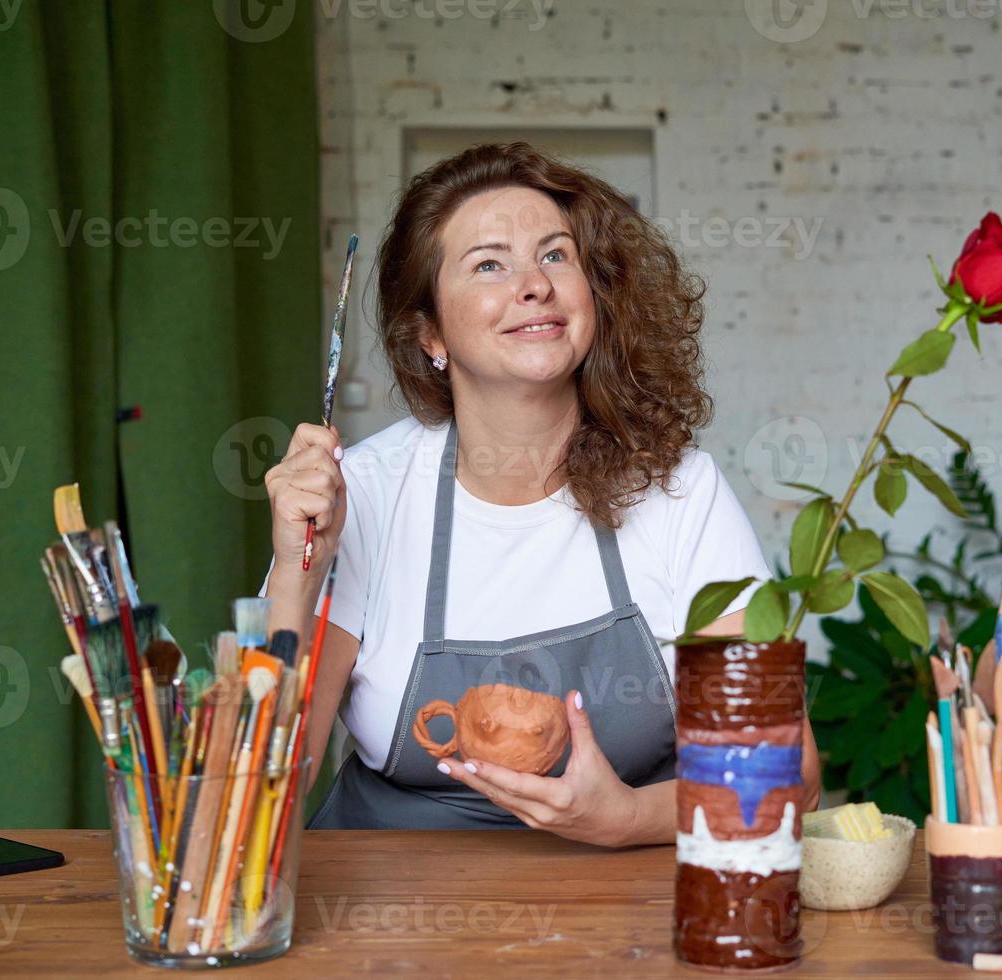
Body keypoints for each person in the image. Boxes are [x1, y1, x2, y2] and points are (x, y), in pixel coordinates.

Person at [262, 141, 821, 845]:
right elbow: (262, 794)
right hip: (388, 923)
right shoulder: (365, 494)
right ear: (429, 332)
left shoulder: (679, 493)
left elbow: (786, 770)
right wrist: (296, 573)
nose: (535, 284)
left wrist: (626, 818)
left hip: (620, 917)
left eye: (555, 255)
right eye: (489, 264)